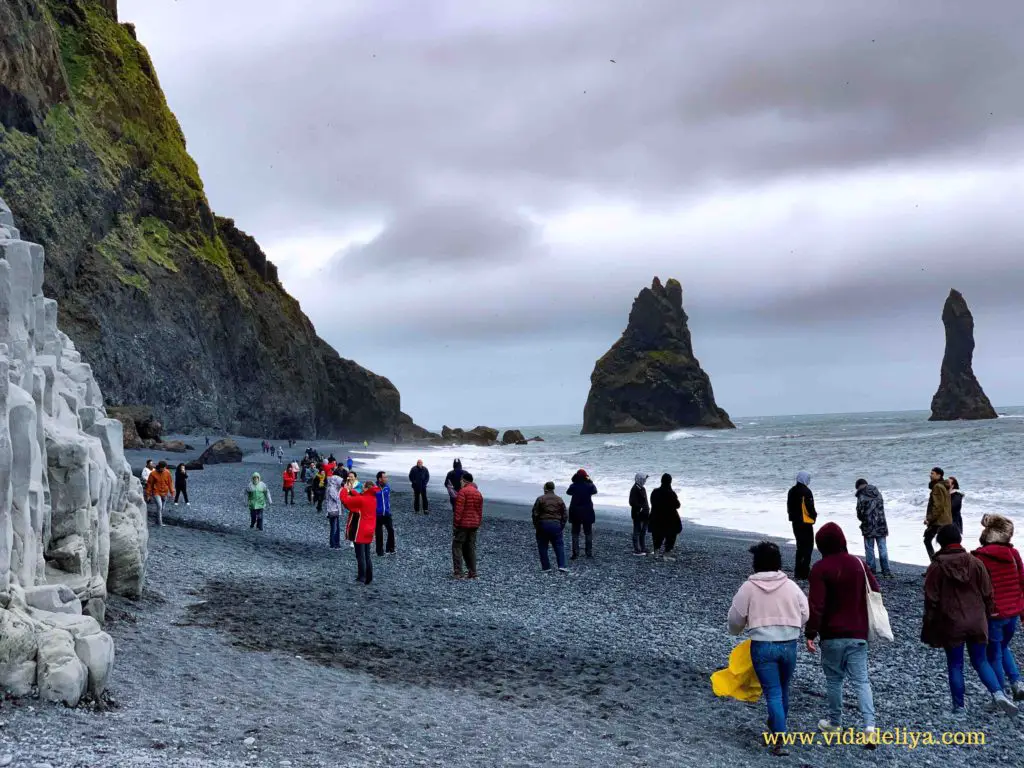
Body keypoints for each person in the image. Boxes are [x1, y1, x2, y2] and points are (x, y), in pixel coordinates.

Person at [922, 524, 1017, 714]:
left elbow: (931, 598)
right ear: (959, 540)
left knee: (955, 664)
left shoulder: (936, 566)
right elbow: (988, 593)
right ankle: (998, 694)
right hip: (977, 620)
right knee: (980, 661)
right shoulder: (975, 563)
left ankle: (959, 707)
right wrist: (988, 614)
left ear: (940, 542)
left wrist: (930, 623)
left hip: (951, 622)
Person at [728, 541, 809, 756]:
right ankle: (777, 729)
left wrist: (737, 631)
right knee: (783, 689)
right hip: (789, 644)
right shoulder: (791, 586)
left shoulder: (749, 587)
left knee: (772, 691)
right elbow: (805, 612)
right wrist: (794, 626)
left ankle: (779, 735)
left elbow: (735, 618)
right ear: (778, 563)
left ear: (756, 564)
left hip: (763, 645)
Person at [805, 522, 879, 738]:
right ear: (842, 540)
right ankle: (869, 727)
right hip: (858, 633)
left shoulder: (820, 569)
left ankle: (835, 723)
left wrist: (810, 633)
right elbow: (875, 589)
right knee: (862, 680)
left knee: (834, 679)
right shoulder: (858, 563)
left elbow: (816, 605)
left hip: (831, 635)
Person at [971, 514, 1024, 700]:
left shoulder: (978, 557)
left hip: (993, 614)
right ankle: (1017, 682)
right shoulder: (1013, 553)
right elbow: (1021, 582)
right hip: (1014, 611)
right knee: (1004, 647)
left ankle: (1000, 695)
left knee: (993, 654)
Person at [340, 476, 378, 584]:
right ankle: (369, 577)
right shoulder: (373, 498)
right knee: (367, 555)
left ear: (366, 488)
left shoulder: (362, 499)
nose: (362, 488)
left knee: (360, 555)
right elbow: (360, 497)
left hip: (360, 529)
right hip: (370, 529)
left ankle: (362, 577)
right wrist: (351, 490)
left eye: (363, 487)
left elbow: (345, 500)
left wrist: (345, 489)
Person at [855, 479, 890, 577]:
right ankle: (886, 571)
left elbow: (860, 512)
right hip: (881, 524)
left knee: (869, 548)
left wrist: (862, 519)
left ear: (858, 486)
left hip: (868, 525)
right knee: (882, 548)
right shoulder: (878, 493)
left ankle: (871, 570)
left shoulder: (861, 495)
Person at [532, 481, 568, 572]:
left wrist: (537, 525)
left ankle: (546, 567)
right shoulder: (559, 499)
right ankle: (562, 565)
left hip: (543, 523)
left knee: (543, 546)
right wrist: (561, 525)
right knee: (559, 545)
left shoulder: (540, 499)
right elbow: (564, 514)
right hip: (556, 524)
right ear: (553, 489)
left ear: (545, 488)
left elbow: (535, 513)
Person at [452, 472, 483, 579]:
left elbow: (458, 511)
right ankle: (473, 572)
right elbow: (479, 512)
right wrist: (478, 523)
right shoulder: (478, 493)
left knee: (457, 546)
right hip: (474, 525)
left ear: (464, 481)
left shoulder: (463, 492)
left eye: (461, 480)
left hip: (463, 524)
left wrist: (455, 525)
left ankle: (458, 571)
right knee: (470, 547)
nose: (460, 482)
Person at [787, 471, 816, 580]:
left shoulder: (791, 491)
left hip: (795, 522)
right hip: (806, 523)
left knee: (800, 547)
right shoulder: (806, 491)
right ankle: (804, 572)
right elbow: (810, 508)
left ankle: (798, 571)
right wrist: (814, 517)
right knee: (808, 547)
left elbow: (789, 507)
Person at [649, 473, 682, 560]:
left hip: (656, 518)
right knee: (671, 537)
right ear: (670, 482)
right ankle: (666, 554)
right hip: (669, 519)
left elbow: (652, 502)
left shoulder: (655, 492)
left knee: (656, 536)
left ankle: (656, 553)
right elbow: (678, 505)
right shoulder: (671, 493)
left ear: (661, 481)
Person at [566, 469, 597, 560]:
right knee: (588, 532)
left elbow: (568, 492)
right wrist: (589, 480)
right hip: (587, 511)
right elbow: (595, 491)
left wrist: (575, 480)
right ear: (585, 476)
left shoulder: (573, 486)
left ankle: (575, 553)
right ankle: (589, 553)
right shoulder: (589, 486)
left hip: (575, 511)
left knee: (575, 533)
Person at [924, 467, 952, 560]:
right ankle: (942, 564)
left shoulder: (937, 487)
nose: (930, 475)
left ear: (939, 475)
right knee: (944, 544)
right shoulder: (943, 486)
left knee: (927, 540)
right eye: (930, 473)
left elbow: (937, 506)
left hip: (938, 521)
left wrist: (929, 519)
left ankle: (935, 564)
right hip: (946, 520)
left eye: (932, 473)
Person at [144, 460, 174, 527]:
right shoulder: (153, 474)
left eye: (165, 468)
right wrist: (148, 495)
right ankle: (160, 523)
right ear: (159, 467)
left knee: (162, 508)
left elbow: (170, 483)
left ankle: (157, 521)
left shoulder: (167, 472)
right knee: (159, 507)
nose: (164, 469)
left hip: (165, 493)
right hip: (156, 492)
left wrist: (172, 493)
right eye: (163, 468)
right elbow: (149, 484)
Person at [375, 471, 396, 556]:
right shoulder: (374, 488)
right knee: (379, 534)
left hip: (387, 513)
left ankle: (390, 549)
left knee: (391, 531)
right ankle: (379, 552)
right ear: (380, 479)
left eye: (386, 477)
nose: (386, 478)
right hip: (377, 515)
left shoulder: (387, 487)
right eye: (385, 477)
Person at [629, 473, 650, 556]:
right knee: (637, 531)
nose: (645, 481)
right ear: (639, 479)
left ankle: (643, 548)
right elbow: (631, 502)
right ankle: (637, 549)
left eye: (645, 479)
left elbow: (645, 501)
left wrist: (647, 509)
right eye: (644, 479)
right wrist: (640, 508)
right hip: (638, 514)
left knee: (643, 532)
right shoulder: (634, 489)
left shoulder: (642, 488)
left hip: (645, 514)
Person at [323, 471, 345, 548]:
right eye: (340, 481)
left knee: (335, 527)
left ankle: (335, 543)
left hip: (333, 509)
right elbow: (337, 498)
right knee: (335, 528)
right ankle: (334, 544)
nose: (341, 483)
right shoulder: (332, 488)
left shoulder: (332, 487)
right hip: (333, 510)